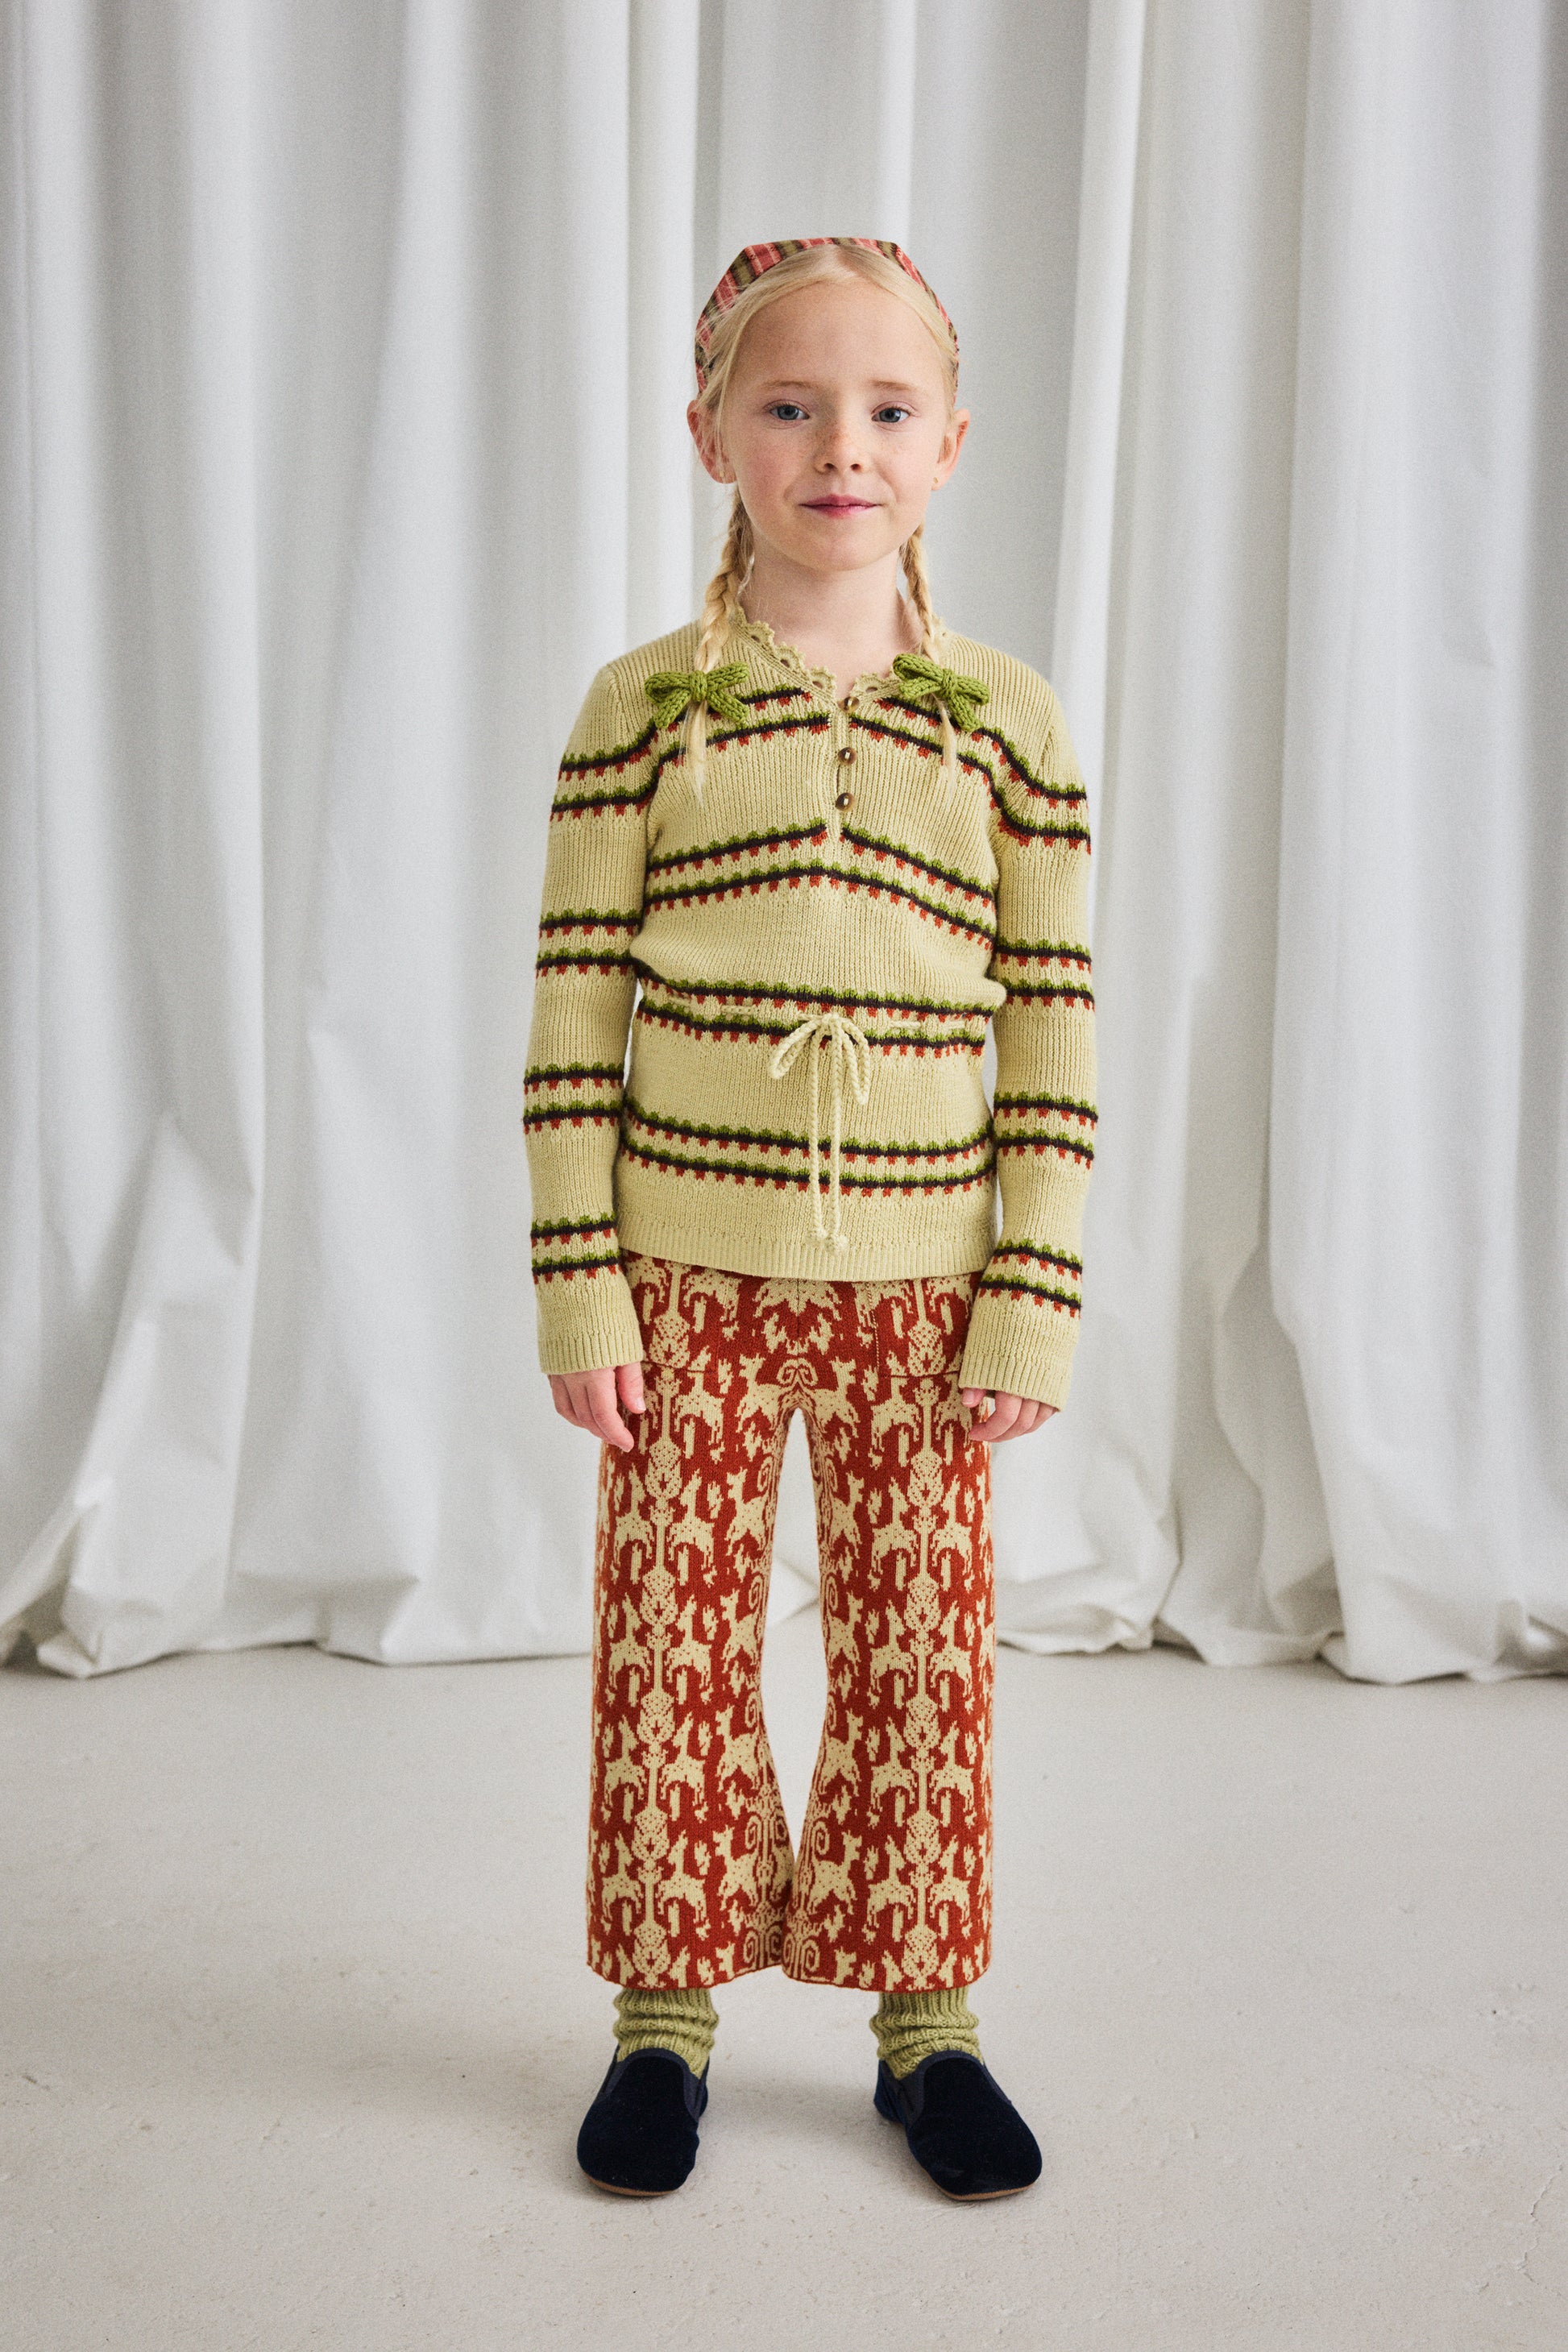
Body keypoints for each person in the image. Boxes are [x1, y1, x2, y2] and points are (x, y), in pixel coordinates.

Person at [524, 237, 1095, 2202]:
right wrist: (580, 1284)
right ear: (711, 436)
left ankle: (926, 2021)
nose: (838, 445)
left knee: (922, 1655)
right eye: (788, 405)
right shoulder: (642, 707)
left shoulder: (1006, 721)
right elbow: (573, 1012)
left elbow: (1054, 1031)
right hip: (679, 1277)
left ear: (948, 444)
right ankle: (661, 2017)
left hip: (925, 1292)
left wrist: (1026, 1296)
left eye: (882, 408)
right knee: (668, 1644)